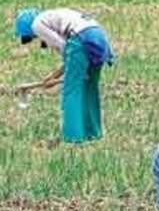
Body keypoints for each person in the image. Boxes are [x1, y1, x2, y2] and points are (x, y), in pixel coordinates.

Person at [14, 8, 115, 143]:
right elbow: (71, 54)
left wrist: (56, 76)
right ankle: (93, 133)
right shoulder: (52, 15)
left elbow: (65, 48)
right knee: (89, 87)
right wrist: (53, 76)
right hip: (98, 37)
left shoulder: (37, 25)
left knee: (71, 91)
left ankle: (72, 137)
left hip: (81, 39)